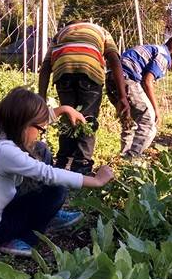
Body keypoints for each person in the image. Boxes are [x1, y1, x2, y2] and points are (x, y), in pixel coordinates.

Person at [0, 87, 115, 257]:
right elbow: (49, 174)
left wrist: (64, 109)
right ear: (24, 125)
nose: (40, 133)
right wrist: (96, 181)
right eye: (40, 129)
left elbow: (36, 121)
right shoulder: (4, 151)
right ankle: (23, 239)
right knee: (56, 189)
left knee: (40, 149)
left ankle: (48, 212)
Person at [38, 21, 129, 174]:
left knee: (68, 117)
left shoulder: (60, 33)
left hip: (63, 69)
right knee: (87, 119)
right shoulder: (101, 30)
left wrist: (41, 96)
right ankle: (82, 165)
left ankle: (62, 162)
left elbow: (46, 66)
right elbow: (114, 60)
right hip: (89, 69)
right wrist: (122, 97)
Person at [106, 35, 172, 159]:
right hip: (127, 81)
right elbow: (147, 81)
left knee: (129, 121)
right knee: (148, 122)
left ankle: (124, 157)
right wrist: (156, 110)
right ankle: (133, 158)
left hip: (112, 80)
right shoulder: (164, 56)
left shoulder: (153, 49)